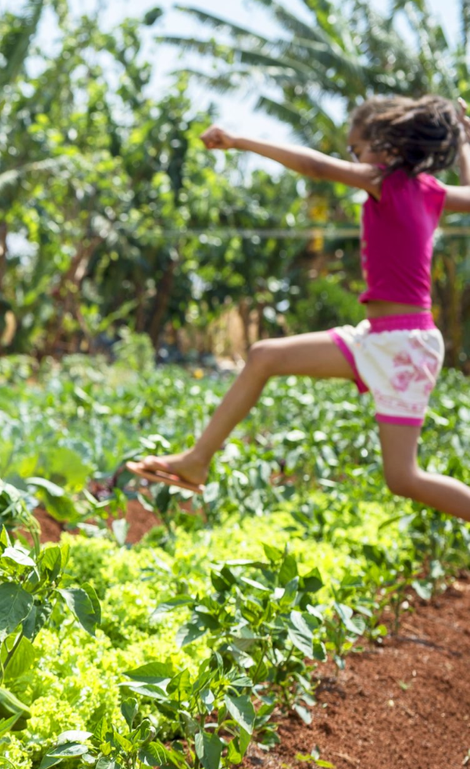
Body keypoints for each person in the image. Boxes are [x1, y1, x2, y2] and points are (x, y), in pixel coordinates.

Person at [128, 94, 470, 521]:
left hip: (404, 344)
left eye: (357, 148)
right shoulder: (429, 192)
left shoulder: (392, 182)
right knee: (263, 355)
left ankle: (197, 459)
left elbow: (315, 166)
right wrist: (464, 145)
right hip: (382, 338)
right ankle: (197, 461)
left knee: (403, 478)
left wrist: (239, 141)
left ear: (387, 144)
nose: (355, 158)